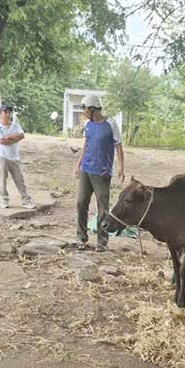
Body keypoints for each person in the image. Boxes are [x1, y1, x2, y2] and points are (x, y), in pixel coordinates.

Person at [75, 94, 124, 252]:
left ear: (93, 108)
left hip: (102, 172)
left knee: (102, 207)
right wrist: (78, 163)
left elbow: (119, 146)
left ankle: (102, 242)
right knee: (81, 202)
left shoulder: (110, 124)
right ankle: (81, 238)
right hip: (86, 170)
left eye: (85, 109)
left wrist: (121, 168)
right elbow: (86, 144)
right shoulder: (88, 125)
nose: (83, 112)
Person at [0, 104, 35, 210]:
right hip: (2, 157)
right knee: (2, 180)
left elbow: (22, 135)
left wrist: (9, 137)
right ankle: (4, 199)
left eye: (9, 112)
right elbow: (1, 141)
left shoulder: (16, 126)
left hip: (15, 157)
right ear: (0, 113)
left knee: (20, 180)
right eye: (5, 112)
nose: (7, 114)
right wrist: (14, 138)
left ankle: (26, 200)